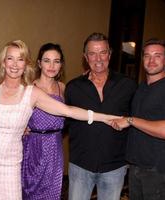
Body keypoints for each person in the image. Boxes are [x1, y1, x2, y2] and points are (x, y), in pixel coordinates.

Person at [0, 39, 121, 199]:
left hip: (15, 161)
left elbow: (69, 111)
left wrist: (106, 117)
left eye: (20, 59)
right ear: (3, 61)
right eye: (10, 58)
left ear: (26, 64)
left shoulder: (35, 92)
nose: (15, 64)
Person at [112, 38, 165, 200]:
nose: (151, 60)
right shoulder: (142, 87)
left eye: (157, 56)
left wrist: (130, 120)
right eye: (147, 56)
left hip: (157, 170)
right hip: (136, 166)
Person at [64, 32, 137, 200]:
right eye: (92, 53)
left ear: (110, 55)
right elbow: (62, 123)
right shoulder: (73, 88)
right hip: (81, 165)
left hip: (115, 167)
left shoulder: (127, 85)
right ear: (85, 57)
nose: (98, 58)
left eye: (103, 52)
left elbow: (137, 120)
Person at [21, 43, 66, 199]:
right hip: (33, 146)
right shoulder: (28, 87)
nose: (52, 65)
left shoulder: (63, 88)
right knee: (29, 191)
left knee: (52, 192)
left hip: (55, 147)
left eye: (57, 61)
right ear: (39, 63)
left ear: (61, 64)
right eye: (47, 60)